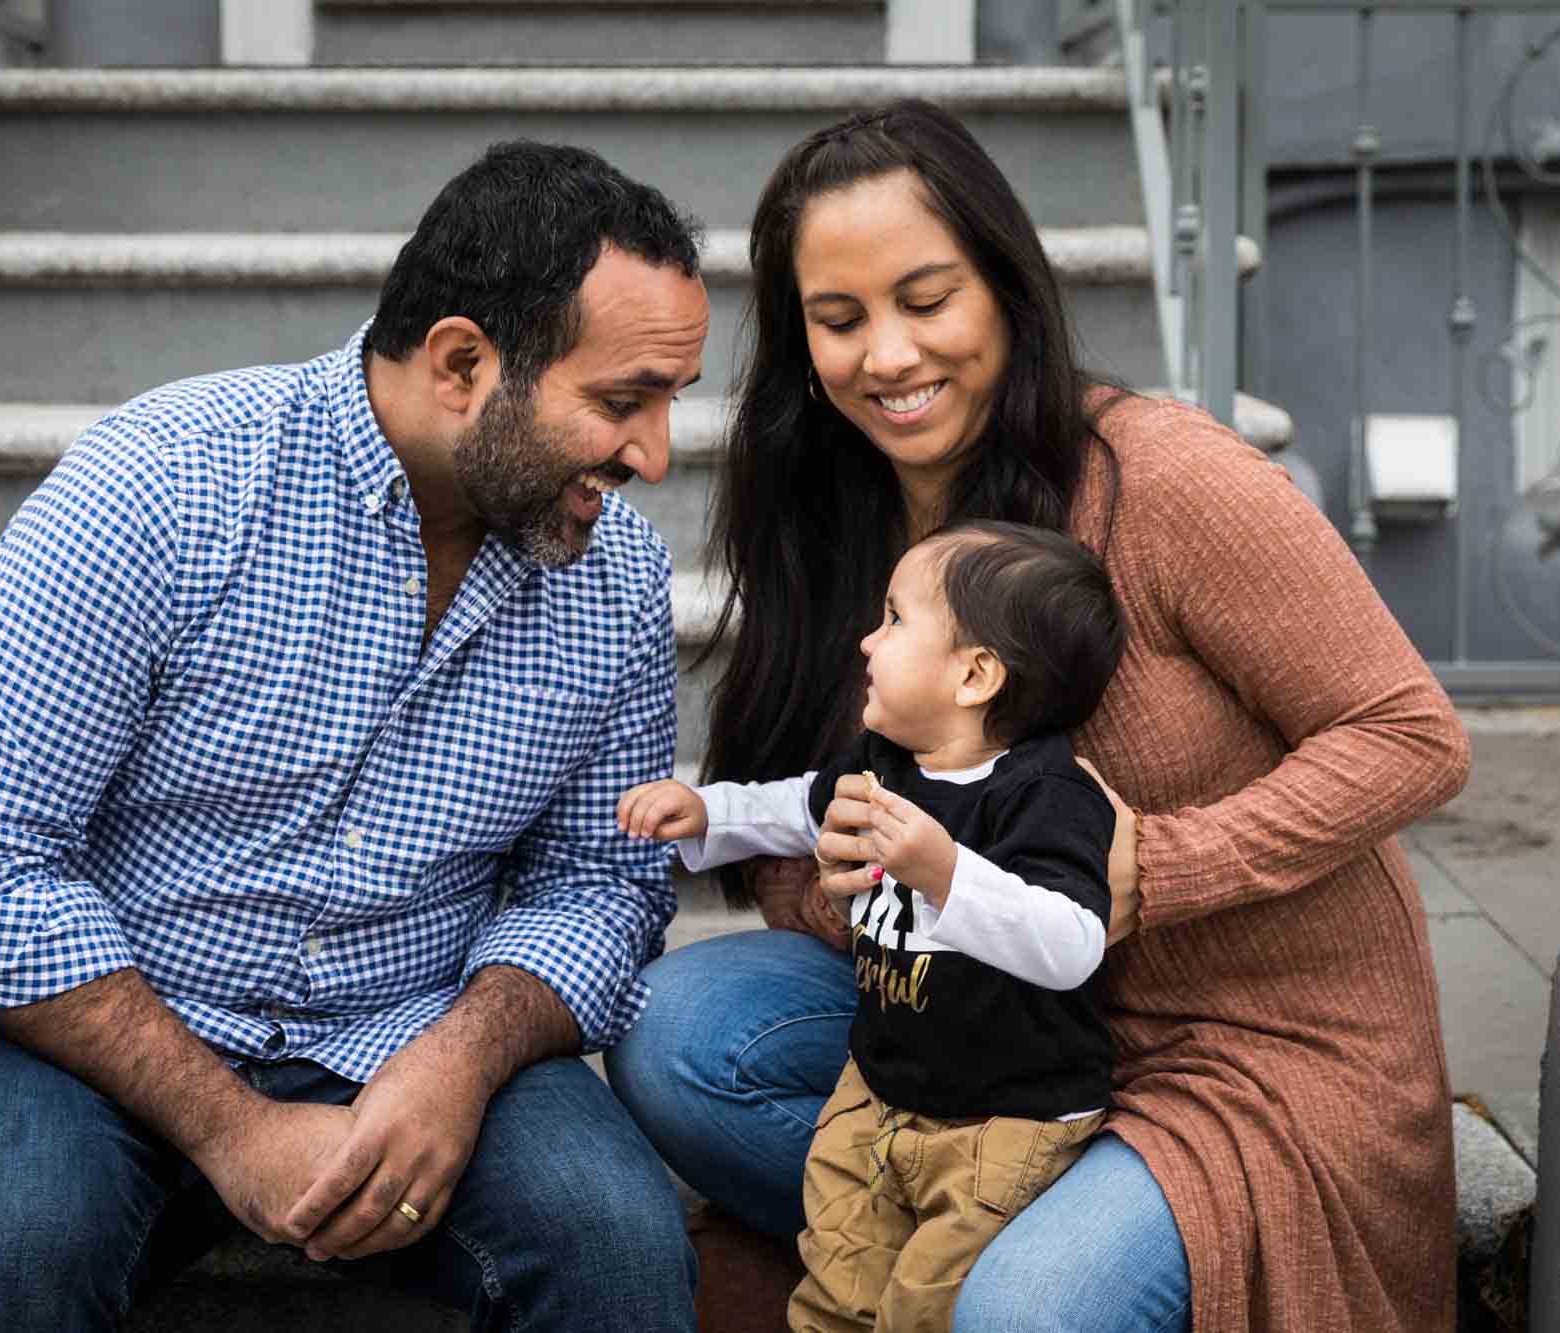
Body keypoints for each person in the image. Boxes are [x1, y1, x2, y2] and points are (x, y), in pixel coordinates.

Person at [605, 100, 1472, 1333]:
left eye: (926, 299)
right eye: (839, 320)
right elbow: (798, 819)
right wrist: (842, 884)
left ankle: (993, 1263)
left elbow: (1409, 734)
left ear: (1004, 289)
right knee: (675, 1037)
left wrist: (1157, 868)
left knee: (1026, 1308)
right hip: (990, 1044)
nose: (888, 356)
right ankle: (944, 1234)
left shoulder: (1159, 479)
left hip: (1253, 1043)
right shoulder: (829, 519)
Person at [0, 141, 709, 1332]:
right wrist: (235, 1128)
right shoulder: (159, 484)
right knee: (6, 1269)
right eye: (621, 400)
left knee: (621, 1256)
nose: (654, 455)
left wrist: (460, 1058)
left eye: (668, 402)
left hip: (412, 1027)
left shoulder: (612, 580)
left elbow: (600, 883)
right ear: (462, 364)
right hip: (97, 1030)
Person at [618, 521, 1126, 1333]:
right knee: (837, 1281)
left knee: (928, 1308)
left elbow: (1071, 942)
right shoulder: (888, 757)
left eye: (893, 620)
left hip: (1001, 1122)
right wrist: (711, 811)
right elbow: (802, 803)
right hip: (880, 1092)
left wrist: (945, 870)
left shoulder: (1046, 795)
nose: (865, 640)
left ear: (975, 674)